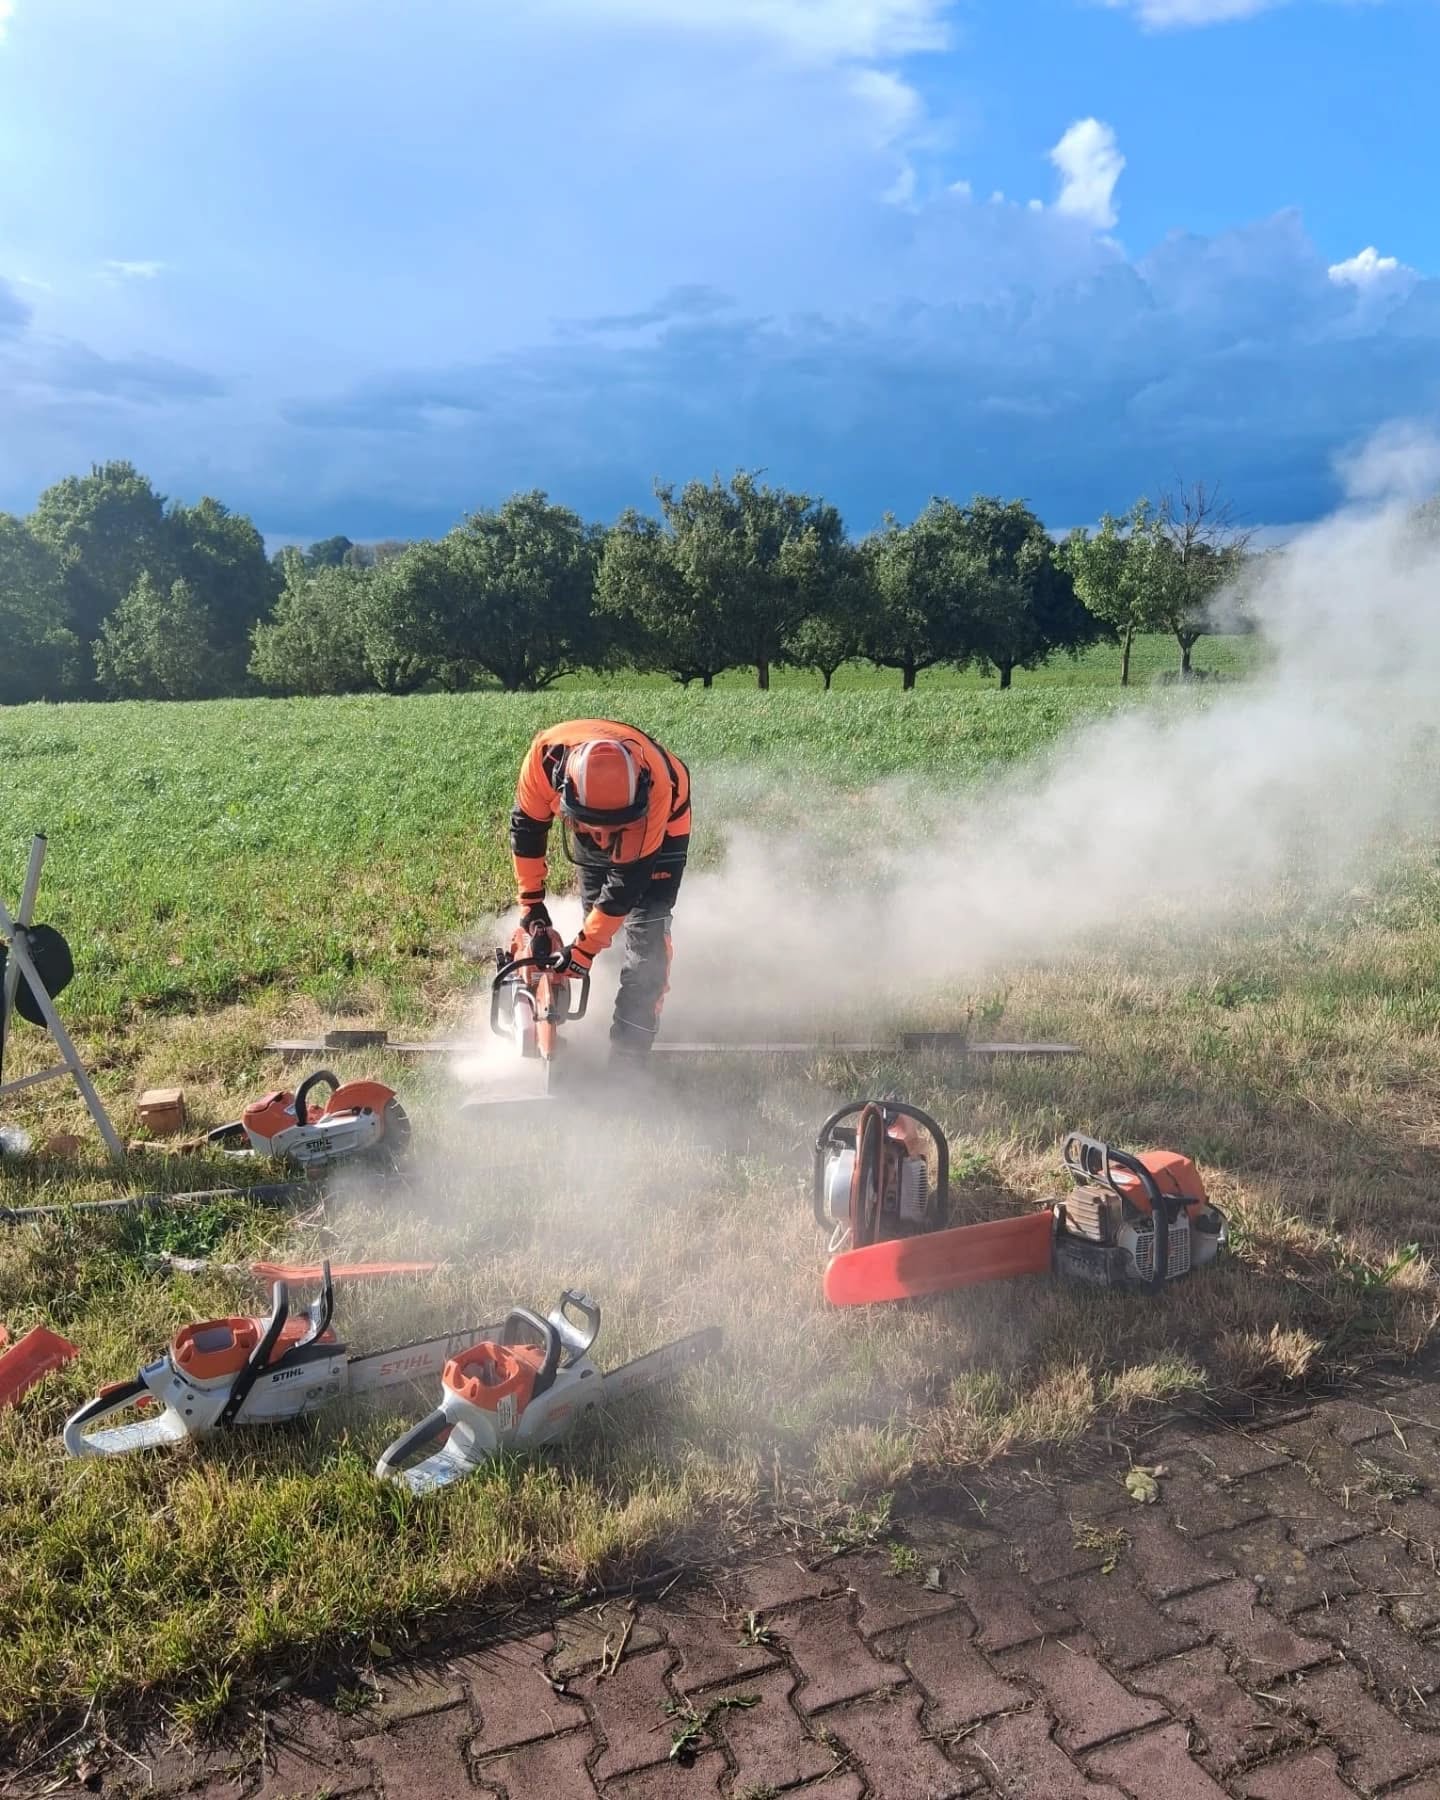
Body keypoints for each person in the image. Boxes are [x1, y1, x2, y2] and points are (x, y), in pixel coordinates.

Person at [510, 718, 691, 1060]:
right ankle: (599, 1010)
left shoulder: (655, 794)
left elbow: (625, 887)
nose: (605, 840)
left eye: (613, 830)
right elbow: (527, 831)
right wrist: (531, 905)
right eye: (598, 829)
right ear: (566, 790)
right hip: (593, 812)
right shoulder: (543, 759)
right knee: (596, 915)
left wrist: (582, 951)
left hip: (662, 824)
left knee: (644, 935)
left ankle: (630, 1055)